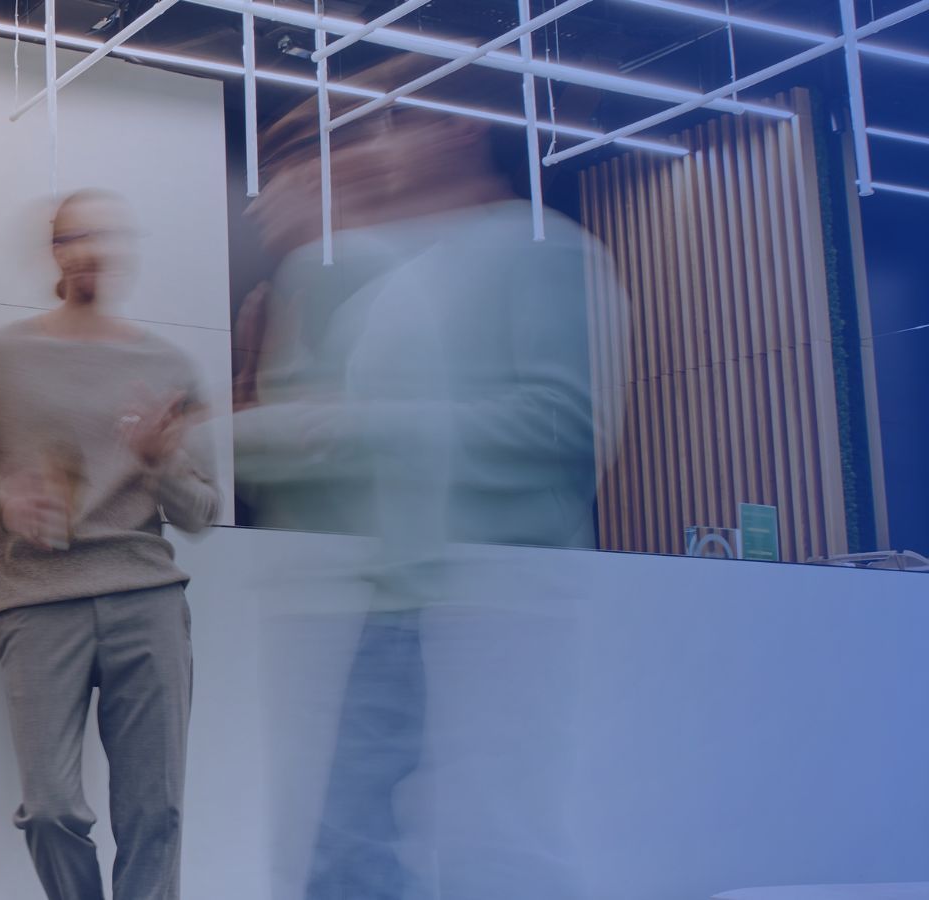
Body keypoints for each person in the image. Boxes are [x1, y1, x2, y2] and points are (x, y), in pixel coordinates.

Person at [236, 55, 616, 900]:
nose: (378, 145)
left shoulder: (543, 248)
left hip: (499, 600)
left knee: (493, 855)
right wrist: (208, 439)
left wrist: (340, 424)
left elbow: (563, 426)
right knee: (348, 854)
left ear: (461, 127)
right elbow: (338, 442)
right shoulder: (398, 283)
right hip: (399, 601)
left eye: (396, 123)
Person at [0, 190, 219, 900]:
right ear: (53, 250)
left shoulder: (166, 363)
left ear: (122, 251)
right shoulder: (1, 357)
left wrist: (158, 461)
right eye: (73, 236)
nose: (89, 249)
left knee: (156, 813)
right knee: (50, 809)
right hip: (38, 604)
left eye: (104, 236)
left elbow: (203, 511)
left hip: (147, 601)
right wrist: (0, 506)